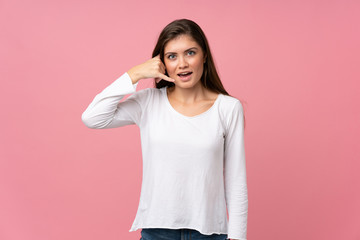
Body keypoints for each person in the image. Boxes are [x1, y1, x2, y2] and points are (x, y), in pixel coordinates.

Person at [81, 18, 248, 240]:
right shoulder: (149, 102)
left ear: (204, 55)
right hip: (157, 232)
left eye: (190, 53)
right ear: (162, 63)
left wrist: (237, 238)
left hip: (210, 233)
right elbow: (92, 117)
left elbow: (235, 181)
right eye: (172, 56)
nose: (182, 64)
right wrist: (134, 74)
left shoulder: (228, 108)